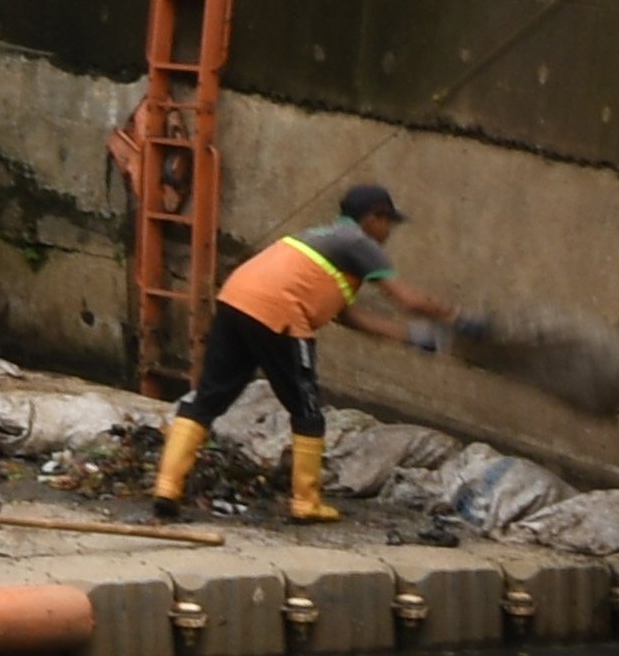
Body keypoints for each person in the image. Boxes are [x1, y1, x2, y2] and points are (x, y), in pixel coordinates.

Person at [155, 179, 448, 522]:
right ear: (374, 217)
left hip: (236, 300)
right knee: (307, 411)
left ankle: (166, 487)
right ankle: (306, 502)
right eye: (387, 223)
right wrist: (458, 319)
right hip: (281, 315)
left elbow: (346, 315)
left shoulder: (321, 239)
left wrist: (409, 337)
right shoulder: (359, 242)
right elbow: (409, 300)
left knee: (207, 399)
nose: (388, 232)